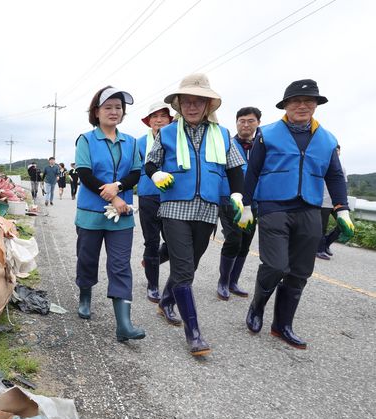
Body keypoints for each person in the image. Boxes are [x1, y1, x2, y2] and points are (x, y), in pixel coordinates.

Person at [241, 79, 355, 349]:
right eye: (296, 101)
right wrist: (245, 204)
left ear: (316, 105)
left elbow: (336, 176)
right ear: (286, 105)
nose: (302, 106)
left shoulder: (327, 139)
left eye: (309, 101)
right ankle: (257, 307)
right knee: (276, 265)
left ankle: (282, 325)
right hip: (273, 206)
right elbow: (253, 170)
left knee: (301, 271)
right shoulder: (266, 133)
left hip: (309, 209)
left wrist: (342, 208)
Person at [144, 73, 246, 356]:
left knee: (190, 265)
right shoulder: (166, 133)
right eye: (186, 101)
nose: (191, 106)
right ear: (178, 104)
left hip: (206, 210)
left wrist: (238, 195)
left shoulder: (222, 134)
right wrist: (158, 174)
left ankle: (166, 300)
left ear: (207, 105)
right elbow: (150, 164)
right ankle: (194, 334)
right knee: (184, 270)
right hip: (175, 207)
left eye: (197, 101)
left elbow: (235, 170)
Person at [74, 86, 144, 342]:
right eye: (108, 107)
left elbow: (136, 172)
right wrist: (113, 196)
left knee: (120, 265)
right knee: (87, 258)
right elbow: (85, 173)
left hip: (122, 216)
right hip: (91, 214)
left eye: (118, 108)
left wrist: (120, 187)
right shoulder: (86, 140)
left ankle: (123, 324)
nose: (114, 112)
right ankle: (85, 294)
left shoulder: (132, 141)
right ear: (96, 111)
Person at [216, 107, 261, 300]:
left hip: (254, 203)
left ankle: (234, 281)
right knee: (233, 240)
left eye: (250, 121)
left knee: (245, 244)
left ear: (258, 123)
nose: (245, 124)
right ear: (236, 123)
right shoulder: (228, 144)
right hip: (229, 200)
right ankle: (223, 281)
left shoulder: (262, 146)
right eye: (241, 120)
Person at [136, 102, 175, 314]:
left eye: (163, 116)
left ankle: (152, 261)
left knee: (173, 241)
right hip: (148, 194)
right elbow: (132, 168)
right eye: (154, 116)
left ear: (170, 120)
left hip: (172, 195)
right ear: (149, 121)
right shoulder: (140, 143)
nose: (159, 120)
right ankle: (153, 285)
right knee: (151, 240)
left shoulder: (176, 139)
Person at [316, 146, 345, 260]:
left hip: (336, 204)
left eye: (338, 151)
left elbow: (342, 186)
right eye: (334, 150)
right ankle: (319, 250)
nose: (336, 152)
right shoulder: (321, 164)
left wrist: (343, 203)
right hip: (323, 202)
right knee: (322, 227)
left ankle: (327, 243)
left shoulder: (342, 168)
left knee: (343, 226)